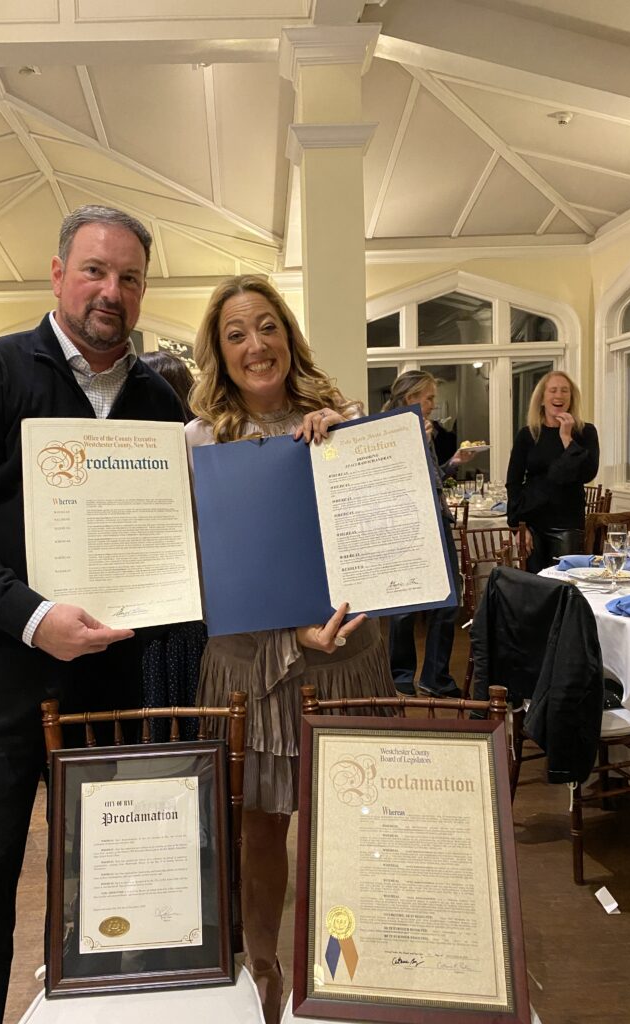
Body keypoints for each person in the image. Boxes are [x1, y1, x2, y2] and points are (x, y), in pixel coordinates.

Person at [0, 205, 185, 1024]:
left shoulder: (159, 402)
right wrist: (32, 617)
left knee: (112, 891)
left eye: (130, 278)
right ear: (58, 273)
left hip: (106, 690)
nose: (112, 291)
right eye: (96, 270)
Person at [185, 275, 395, 1023]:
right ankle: (266, 975)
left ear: (288, 335)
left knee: (347, 820)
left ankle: (345, 968)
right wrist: (284, 631)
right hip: (251, 667)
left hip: (343, 657)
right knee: (261, 826)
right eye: (236, 332)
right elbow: (201, 568)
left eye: (266, 326)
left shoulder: (343, 422)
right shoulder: (200, 441)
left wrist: (348, 446)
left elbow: (379, 539)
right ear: (220, 350)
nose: (255, 344)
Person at [383, 371, 475, 699]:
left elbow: (432, 478)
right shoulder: (389, 430)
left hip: (437, 522)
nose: (434, 404)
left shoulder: (426, 430)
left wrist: (453, 463)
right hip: (405, 526)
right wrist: (417, 441)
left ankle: (436, 677)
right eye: (430, 397)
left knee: (448, 601)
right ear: (410, 397)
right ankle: (400, 677)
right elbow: (397, 477)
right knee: (404, 605)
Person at [138, 350, 207, 737]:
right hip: (188, 614)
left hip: (171, 615)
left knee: (162, 716)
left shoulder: (190, 447)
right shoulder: (199, 447)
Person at [506, 371, 599, 574]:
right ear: (542, 398)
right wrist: (518, 527)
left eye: (565, 390)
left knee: (565, 583)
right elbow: (513, 482)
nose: (559, 395)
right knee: (535, 583)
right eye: (553, 390)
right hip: (532, 520)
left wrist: (567, 438)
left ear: (571, 398)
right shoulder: (528, 434)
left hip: (567, 522)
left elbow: (588, 474)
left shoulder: (585, 432)